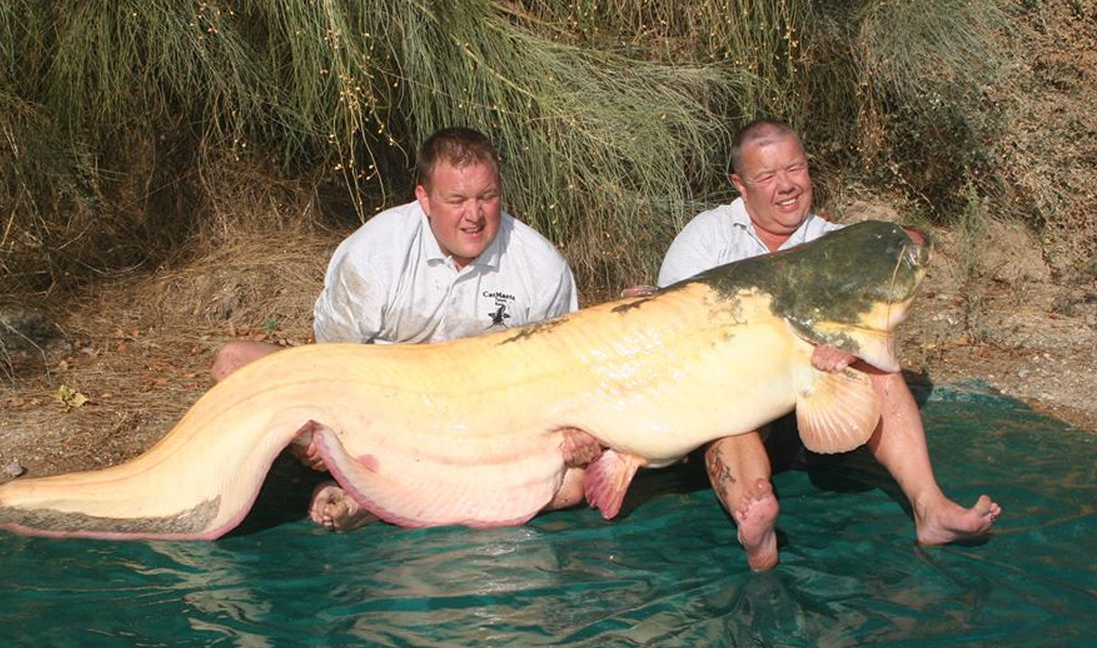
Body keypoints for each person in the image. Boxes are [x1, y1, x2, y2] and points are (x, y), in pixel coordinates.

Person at [650, 119, 1001, 571]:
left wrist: (855, 343)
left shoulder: (835, 242)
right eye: (767, 177)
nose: (786, 187)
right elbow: (672, 338)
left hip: (814, 413)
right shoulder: (706, 236)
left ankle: (930, 508)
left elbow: (908, 250)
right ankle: (754, 522)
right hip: (732, 406)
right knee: (729, 415)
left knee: (880, 367)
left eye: (794, 169)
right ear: (739, 185)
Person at [210, 126, 582, 530]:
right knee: (234, 363)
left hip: (481, 424)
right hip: (374, 411)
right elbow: (328, 365)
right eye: (456, 200)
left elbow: (562, 376)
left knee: (572, 485)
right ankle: (369, 481)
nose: (473, 216)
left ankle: (367, 498)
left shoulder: (541, 267)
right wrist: (313, 435)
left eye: (486, 198)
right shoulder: (375, 253)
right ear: (423, 198)